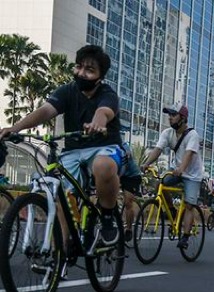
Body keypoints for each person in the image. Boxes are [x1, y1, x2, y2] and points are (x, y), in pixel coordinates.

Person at [0, 45, 124, 248]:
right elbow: (46, 110)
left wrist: (97, 123)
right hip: (73, 151)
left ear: (100, 77)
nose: (82, 73)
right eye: (79, 67)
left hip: (104, 146)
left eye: (90, 70)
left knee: (103, 166)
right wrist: (15, 128)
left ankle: (108, 216)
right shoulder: (67, 91)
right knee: (63, 198)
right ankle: (62, 252)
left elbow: (104, 112)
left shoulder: (108, 94)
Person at [140, 103, 203, 249]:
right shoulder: (167, 133)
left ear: (183, 118)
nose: (170, 118)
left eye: (173, 115)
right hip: (175, 170)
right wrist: (146, 163)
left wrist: (181, 168)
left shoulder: (192, 135)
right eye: (169, 115)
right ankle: (172, 211)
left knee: (189, 205)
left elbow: (188, 154)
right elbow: (158, 150)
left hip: (192, 174)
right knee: (160, 185)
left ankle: (185, 237)